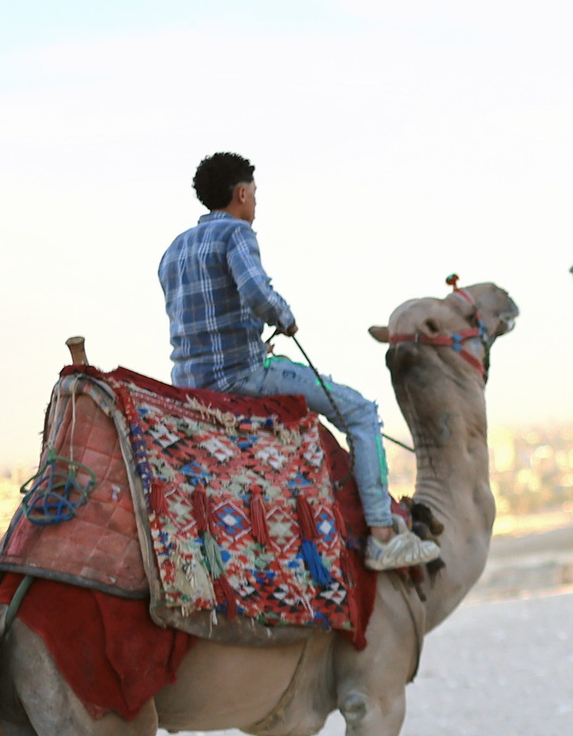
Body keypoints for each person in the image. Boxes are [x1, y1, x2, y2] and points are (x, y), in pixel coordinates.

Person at [157, 151, 441, 572]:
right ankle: (382, 535)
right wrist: (283, 316)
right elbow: (256, 292)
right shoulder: (236, 234)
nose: (255, 200)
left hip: (189, 384)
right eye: (253, 192)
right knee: (361, 412)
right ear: (240, 193)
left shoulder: (173, 250)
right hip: (243, 377)